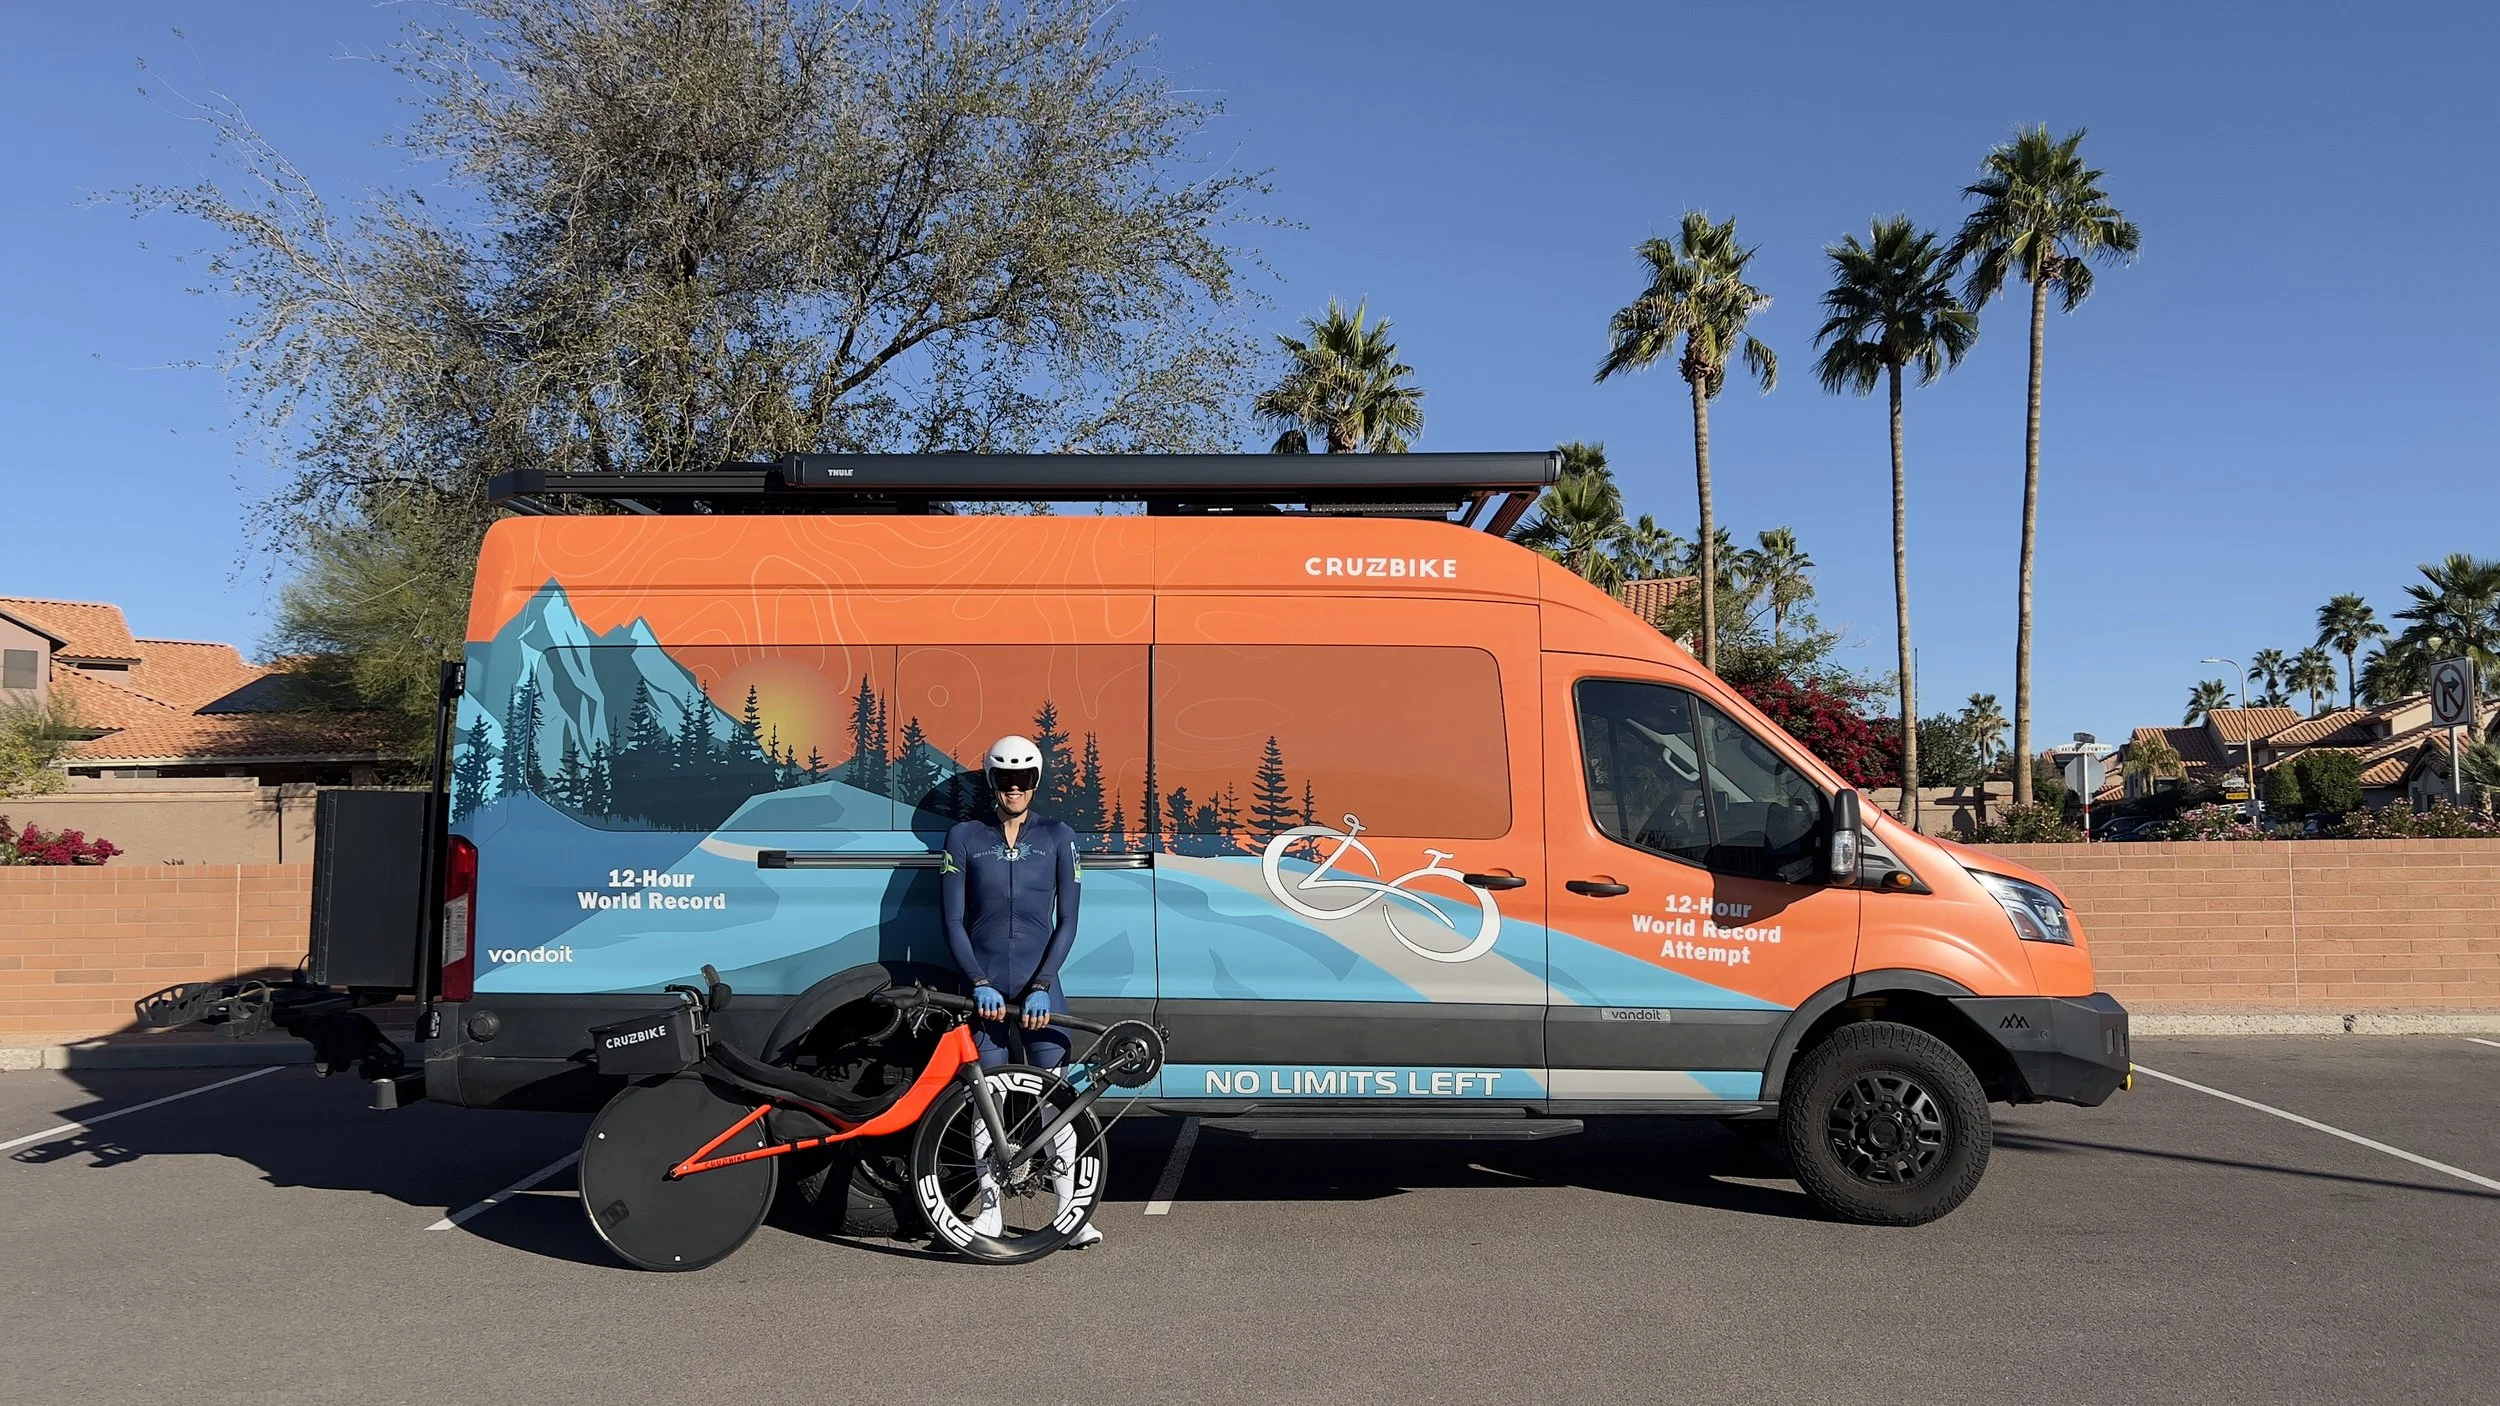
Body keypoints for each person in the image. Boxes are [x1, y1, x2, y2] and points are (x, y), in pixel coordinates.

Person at [938, 734, 1099, 1246]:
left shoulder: (1058, 836)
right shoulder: (964, 837)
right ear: (992, 781)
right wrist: (979, 982)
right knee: (985, 1098)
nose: (1015, 788)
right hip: (984, 989)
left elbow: (1068, 921)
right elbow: (952, 920)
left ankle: (1070, 1215)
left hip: (1039, 988)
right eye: (1006, 779)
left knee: (1055, 1099)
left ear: (1036, 781)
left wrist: (1042, 985)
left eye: (1024, 778)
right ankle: (988, 1210)